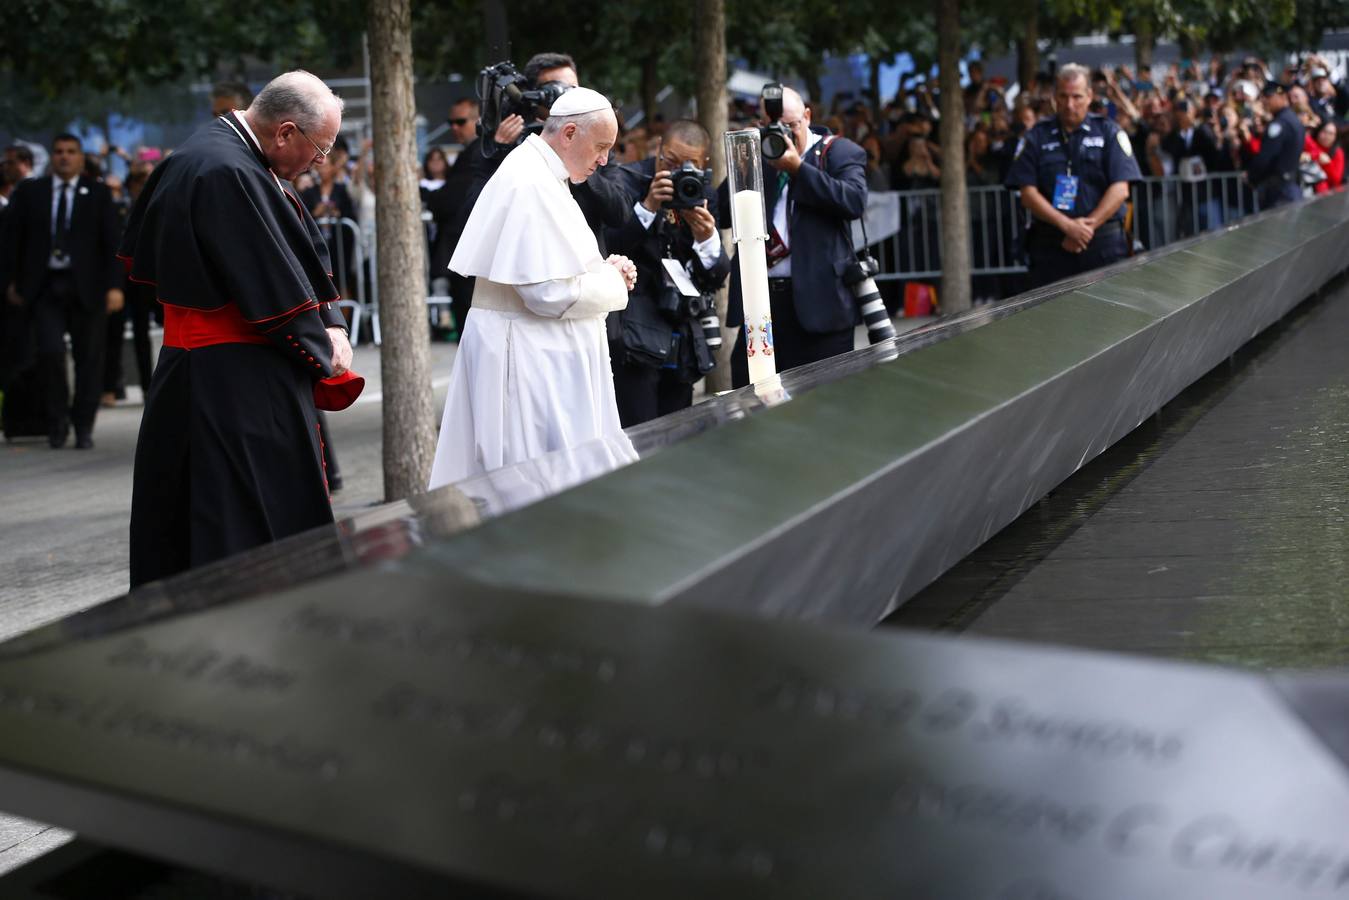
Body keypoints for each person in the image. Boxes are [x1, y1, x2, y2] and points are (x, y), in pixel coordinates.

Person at [117, 70, 357, 587]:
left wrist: (330, 318)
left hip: (210, 375)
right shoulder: (228, 170)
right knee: (238, 526)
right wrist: (322, 342)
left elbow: (296, 250)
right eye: (320, 148)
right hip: (230, 384)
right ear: (286, 131)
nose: (321, 162)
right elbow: (269, 285)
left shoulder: (231, 153)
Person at [428, 87, 636, 489]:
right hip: (523, 359)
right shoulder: (529, 181)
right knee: (529, 480)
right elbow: (546, 293)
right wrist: (614, 283)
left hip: (534, 352)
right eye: (601, 146)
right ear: (570, 132)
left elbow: (557, 266)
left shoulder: (542, 173)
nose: (604, 159)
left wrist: (600, 269)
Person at [719, 85, 869, 387]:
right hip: (763, 308)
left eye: (791, 125)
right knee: (753, 402)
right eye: (774, 126)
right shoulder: (760, 158)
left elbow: (853, 201)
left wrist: (800, 169)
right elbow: (724, 214)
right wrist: (743, 160)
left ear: (808, 116)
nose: (783, 134)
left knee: (825, 405)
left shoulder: (838, 151)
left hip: (820, 307)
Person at [605, 119, 731, 426]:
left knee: (679, 432)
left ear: (704, 164)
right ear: (659, 149)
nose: (677, 173)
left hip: (682, 335)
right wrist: (648, 206)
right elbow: (608, 245)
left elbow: (717, 276)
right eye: (670, 162)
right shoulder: (629, 180)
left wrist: (706, 238)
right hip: (635, 337)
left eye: (689, 166)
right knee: (638, 430)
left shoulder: (700, 193)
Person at [0, 133, 122, 449]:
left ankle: (83, 425)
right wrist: (11, 281)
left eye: (71, 152)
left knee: (88, 358)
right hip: (44, 287)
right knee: (50, 352)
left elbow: (112, 244)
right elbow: (13, 239)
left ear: (81, 158)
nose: (64, 157)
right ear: (51, 157)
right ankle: (56, 422)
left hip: (88, 287)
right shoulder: (32, 192)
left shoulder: (97, 194)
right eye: (58, 152)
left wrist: (114, 287)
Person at [1005, 63, 1142, 290]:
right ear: (1054, 97)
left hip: (1103, 245)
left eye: (1077, 97)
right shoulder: (1035, 136)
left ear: (1089, 96)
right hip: (1051, 246)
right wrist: (1068, 227)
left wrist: (1085, 230)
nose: (1070, 104)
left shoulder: (1109, 132)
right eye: (1063, 96)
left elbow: (1121, 189)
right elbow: (1027, 193)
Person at [1244, 81, 1304, 209]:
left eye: (1269, 97)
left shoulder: (1280, 123)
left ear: (1282, 96)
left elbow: (1266, 156)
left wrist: (1251, 176)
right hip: (1288, 187)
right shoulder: (1292, 119)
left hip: (1279, 191)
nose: (1265, 101)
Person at [1306, 120, 1344, 195]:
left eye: (1331, 134)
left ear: (1335, 137)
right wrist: (1317, 155)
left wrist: (1327, 164)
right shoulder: (1310, 143)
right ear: (1318, 131)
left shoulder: (1338, 152)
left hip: (1326, 193)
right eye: (1324, 132)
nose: (1327, 136)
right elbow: (1305, 139)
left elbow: (1336, 179)